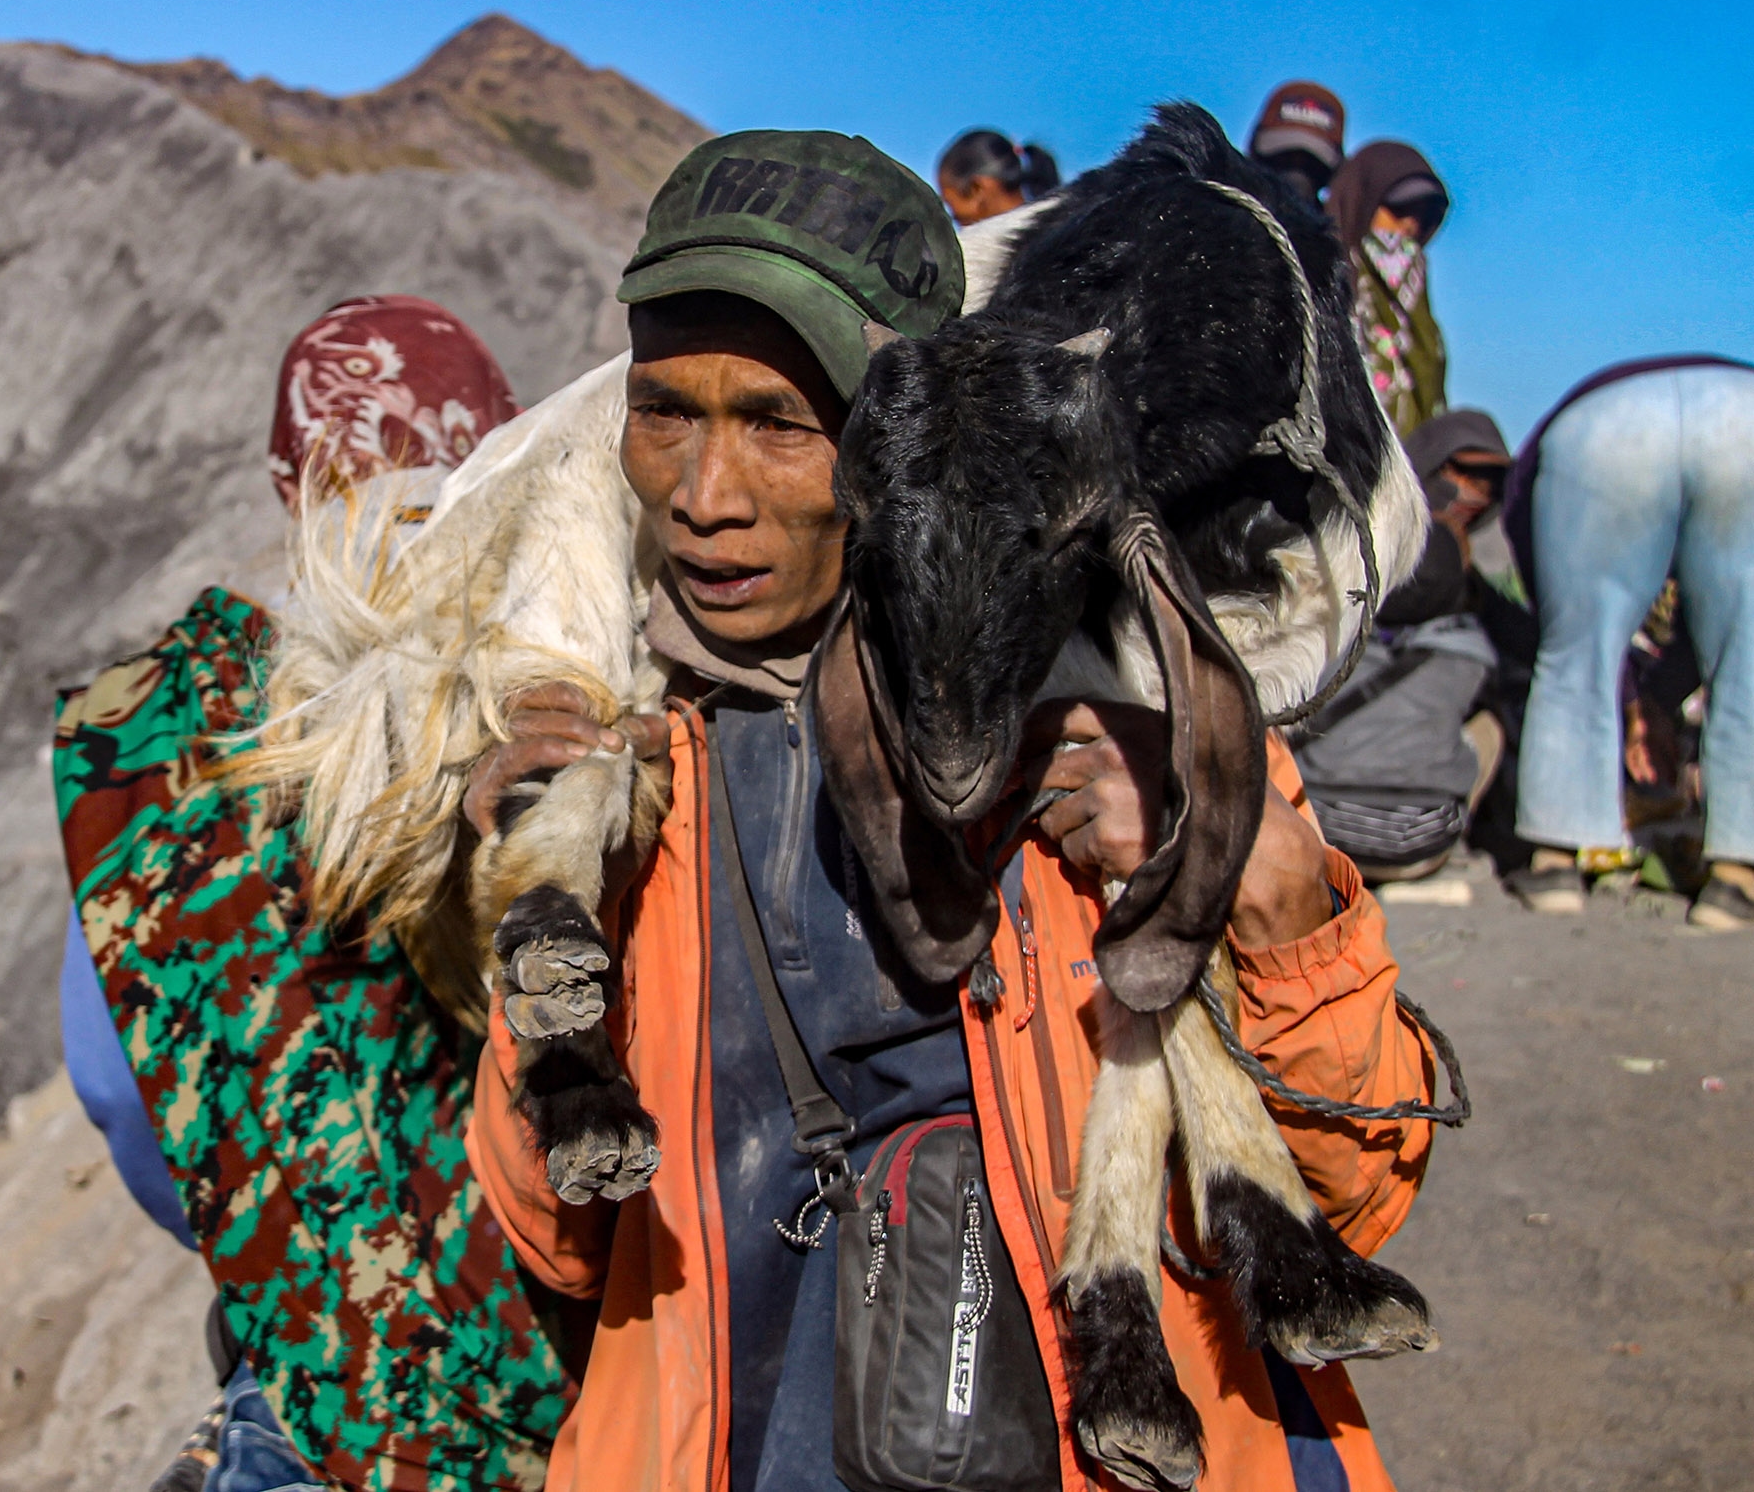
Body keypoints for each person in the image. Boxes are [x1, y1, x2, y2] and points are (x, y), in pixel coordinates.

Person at [461, 131, 1438, 1491]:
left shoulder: (1137, 719)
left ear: (905, 432)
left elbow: (1355, 1192)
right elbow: (553, 1233)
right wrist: (548, 930)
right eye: (664, 409)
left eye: (780, 422)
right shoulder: (630, 774)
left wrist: (1270, 892)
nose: (705, 497)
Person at [51, 296, 566, 1492]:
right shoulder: (576, 682)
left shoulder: (187, 748)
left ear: (292, 480)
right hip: (597, 1379)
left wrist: (273, 1215)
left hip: (325, 1391)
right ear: (501, 437)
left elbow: (115, 1081)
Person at [1498, 354, 1754, 928]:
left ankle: (1556, 861)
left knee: (1572, 654)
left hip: (1602, 426)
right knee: (1749, 655)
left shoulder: (1573, 413)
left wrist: (1637, 696)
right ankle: (1739, 876)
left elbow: (1539, 571)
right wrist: (1652, 698)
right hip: (1746, 415)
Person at [1288, 410, 1512, 880]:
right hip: (1419, 843)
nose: (1477, 492)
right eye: (1461, 472)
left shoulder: (1329, 634)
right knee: (1489, 722)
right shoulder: (1471, 650)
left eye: (1492, 480)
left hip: (1319, 832)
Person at [1329, 142, 1452, 435]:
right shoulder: (1328, 286)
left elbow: (1430, 378)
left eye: (1422, 216)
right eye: (1399, 211)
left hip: (1412, 458)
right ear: (1362, 203)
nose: (1409, 226)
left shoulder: (1416, 295)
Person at [1247, 80, 1348, 206]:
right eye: (1283, 157)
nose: (1295, 173)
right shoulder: (1219, 211)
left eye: (1310, 163)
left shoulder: (1343, 224)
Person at [935, 127, 1061, 224]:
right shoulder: (1058, 230)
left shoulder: (1012, 250)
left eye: (949, 203)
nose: (953, 218)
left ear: (977, 188)